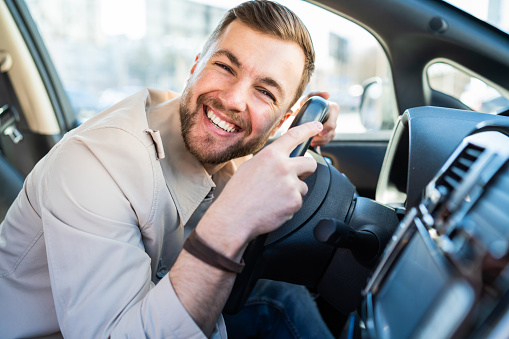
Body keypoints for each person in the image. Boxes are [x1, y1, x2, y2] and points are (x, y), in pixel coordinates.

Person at [0, 1, 339, 338]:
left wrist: (304, 142)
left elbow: (258, 164)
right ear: (196, 66)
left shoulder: (230, 146)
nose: (234, 99)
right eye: (225, 67)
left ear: (282, 121)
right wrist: (231, 223)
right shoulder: (94, 165)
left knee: (281, 297)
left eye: (264, 92)